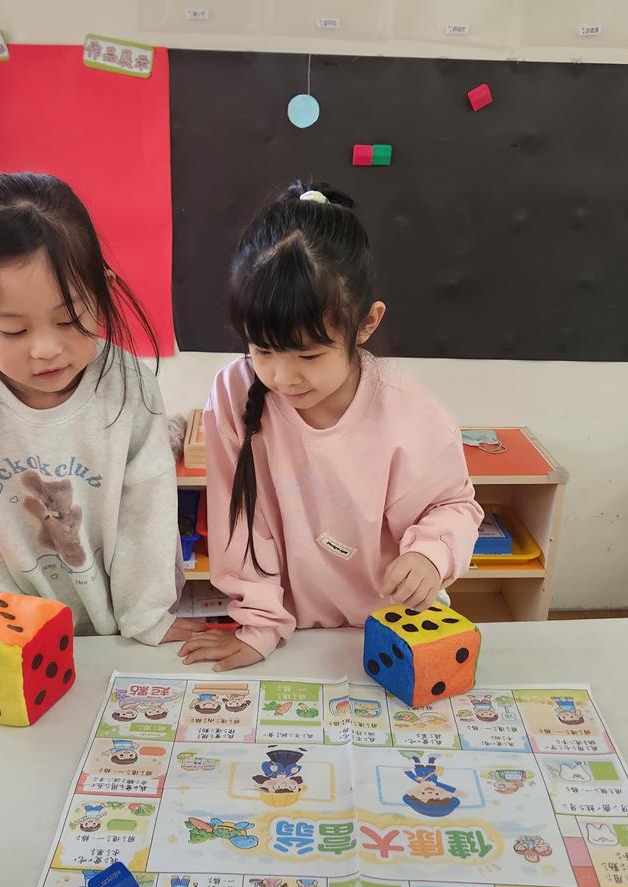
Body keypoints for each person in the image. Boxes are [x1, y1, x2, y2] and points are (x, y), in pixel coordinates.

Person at [179, 182, 482, 671]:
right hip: (292, 635)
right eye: (262, 349)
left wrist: (430, 555)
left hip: (391, 627)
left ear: (366, 324)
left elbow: (453, 505)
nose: (282, 377)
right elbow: (240, 519)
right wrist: (260, 626)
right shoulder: (235, 392)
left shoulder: (411, 416)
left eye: (309, 355)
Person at [0, 172, 196, 644]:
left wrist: (146, 618)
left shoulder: (128, 382)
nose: (46, 350)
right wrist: (5, 628)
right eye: (14, 331)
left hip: (122, 629)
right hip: (16, 636)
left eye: (69, 319)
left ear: (103, 291)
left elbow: (146, 512)